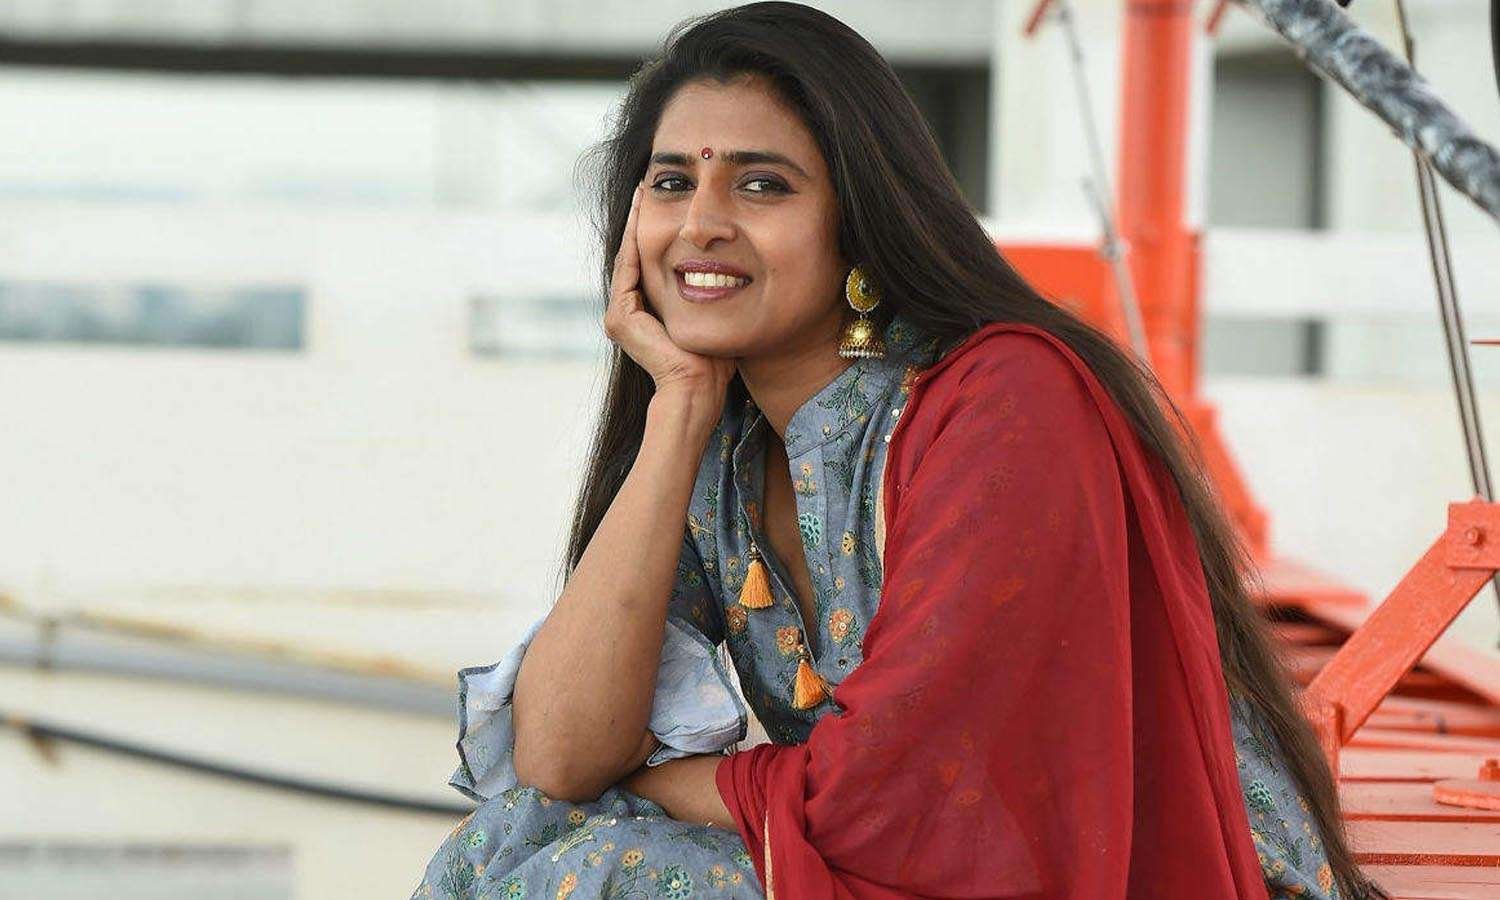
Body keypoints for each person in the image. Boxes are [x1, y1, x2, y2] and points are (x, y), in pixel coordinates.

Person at [412, 3, 1386, 898]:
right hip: (895, 869)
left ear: (861, 217)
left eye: (761, 184)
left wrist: (660, 782)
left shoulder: (1004, 401)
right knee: (505, 841)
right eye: (671, 182)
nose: (701, 223)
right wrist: (677, 408)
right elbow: (562, 756)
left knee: (598, 876)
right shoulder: (724, 445)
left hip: (1116, 876)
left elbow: (908, 791)